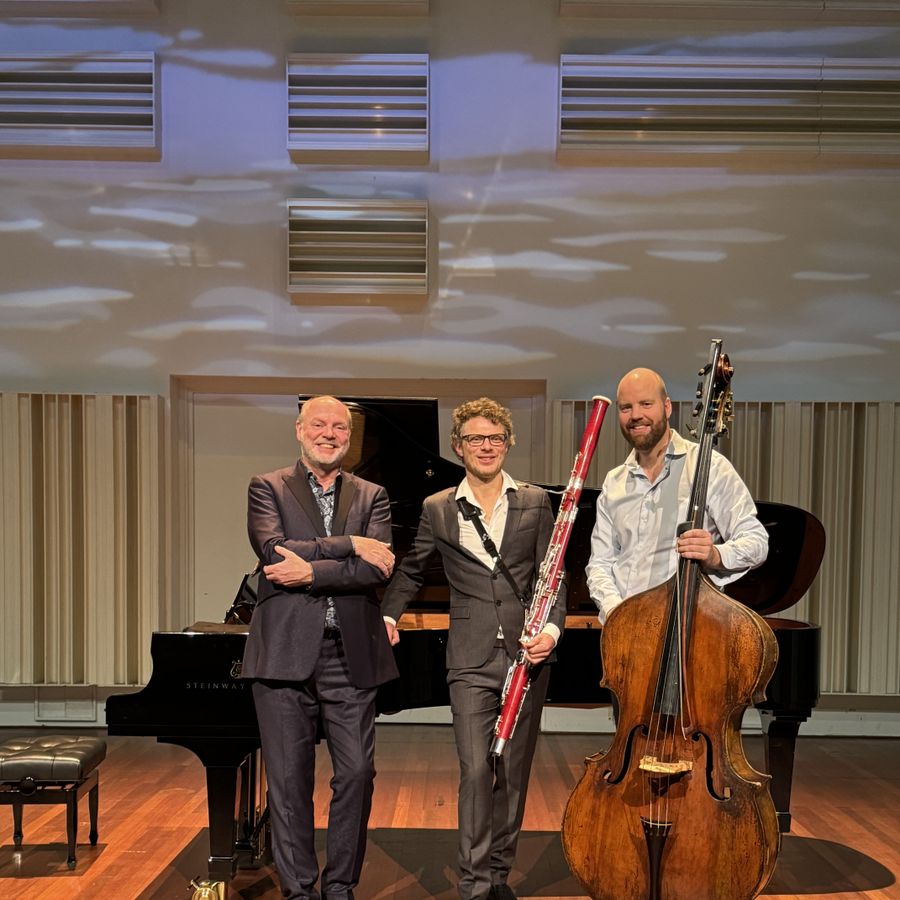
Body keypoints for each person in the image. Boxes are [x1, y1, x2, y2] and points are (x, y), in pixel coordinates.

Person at [381, 397, 565, 900]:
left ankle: (499, 874)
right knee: (476, 769)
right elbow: (413, 569)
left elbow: (553, 574)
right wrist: (388, 614)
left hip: (527, 655)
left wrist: (552, 630)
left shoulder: (535, 501)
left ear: (508, 443)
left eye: (495, 437)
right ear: (458, 447)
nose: (486, 446)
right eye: (475, 438)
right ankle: (474, 883)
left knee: (513, 771)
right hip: (469, 656)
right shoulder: (438, 507)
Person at [241, 395, 398, 900]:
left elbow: (377, 568)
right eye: (319, 425)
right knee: (289, 782)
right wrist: (348, 545)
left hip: (349, 654)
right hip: (283, 653)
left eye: (339, 427)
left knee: (357, 774)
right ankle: (300, 891)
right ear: (299, 430)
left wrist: (308, 571)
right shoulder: (267, 486)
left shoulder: (372, 495)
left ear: (349, 437)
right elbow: (272, 552)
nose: (329, 434)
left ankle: (340, 886)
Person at [586, 367, 768, 625]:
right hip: (627, 633)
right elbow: (600, 565)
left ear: (667, 407)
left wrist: (714, 555)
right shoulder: (614, 482)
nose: (635, 415)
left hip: (688, 627)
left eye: (646, 404)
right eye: (626, 407)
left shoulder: (708, 466)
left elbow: (756, 542)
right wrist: (618, 615)